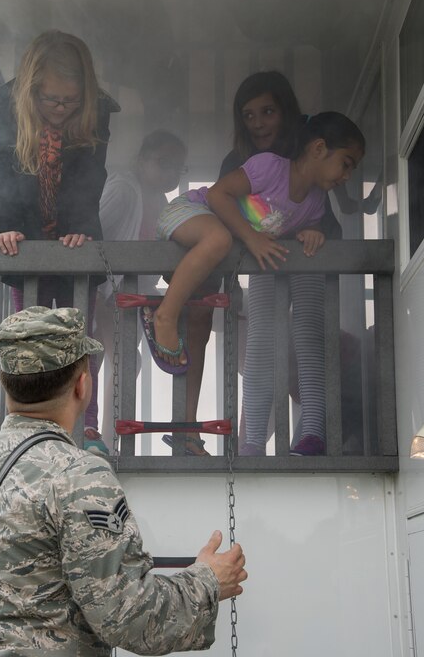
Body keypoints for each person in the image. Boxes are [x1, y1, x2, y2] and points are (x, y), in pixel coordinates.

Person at [0, 306, 247, 657]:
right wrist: (208, 581)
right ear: (83, 384)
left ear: (6, 384)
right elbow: (128, 616)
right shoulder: (78, 475)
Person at [146, 112, 365, 457]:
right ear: (320, 148)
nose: (348, 175)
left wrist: (311, 232)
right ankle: (165, 316)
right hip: (187, 212)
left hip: (212, 234)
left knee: (218, 242)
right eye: (346, 163)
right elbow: (219, 195)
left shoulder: (314, 204)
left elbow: (281, 228)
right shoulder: (270, 167)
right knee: (218, 240)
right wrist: (250, 238)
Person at [0, 30, 119, 446]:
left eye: (71, 101)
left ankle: (89, 424)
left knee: (79, 338)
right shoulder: (9, 107)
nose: (62, 108)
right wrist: (9, 225)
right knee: (32, 335)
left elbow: (92, 174)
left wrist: (79, 224)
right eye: (51, 100)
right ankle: (30, 427)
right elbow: (4, 169)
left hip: (74, 237)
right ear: (30, 91)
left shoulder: (97, 109)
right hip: (28, 237)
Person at [95, 130, 187, 446]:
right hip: (105, 292)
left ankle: (107, 437)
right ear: (141, 160)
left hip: (131, 297)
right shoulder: (124, 189)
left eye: (178, 166)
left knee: (120, 360)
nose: (171, 172)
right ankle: (99, 438)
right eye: (164, 163)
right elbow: (95, 232)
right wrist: (99, 291)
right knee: (112, 359)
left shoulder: (161, 201)